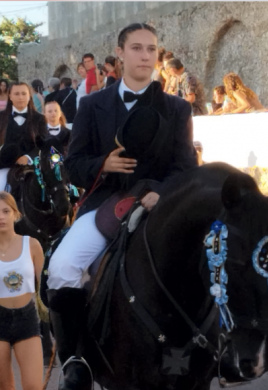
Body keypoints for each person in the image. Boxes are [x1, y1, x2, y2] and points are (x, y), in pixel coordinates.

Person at [46, 22, 198, 386]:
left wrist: (162, 190)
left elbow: (186, 167)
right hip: (106, 207)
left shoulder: (178, 108)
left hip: (161, 205)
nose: (145, 55)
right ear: (121, 53)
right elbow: (73, 165)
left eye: (151, 49)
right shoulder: (92, 104)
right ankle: (76, 360)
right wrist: (104, 164)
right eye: (137, 48)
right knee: (62, 267)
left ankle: (222, 351)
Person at [0, 191, 44, 390]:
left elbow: (46, 287)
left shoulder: (32, 245)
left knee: (34, 386)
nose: (1, 217)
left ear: (15, 214)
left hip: (27, 318)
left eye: (5, 211)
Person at [0, 82, 47, 192]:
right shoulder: (1, 118)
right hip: (5, 165)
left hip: (32, 165)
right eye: (16, 94)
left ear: (29, 96)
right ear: (10, 96)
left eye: (23, 93)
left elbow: (43, 144)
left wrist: (29, 157)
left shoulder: (40, 119)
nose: (20, 97)